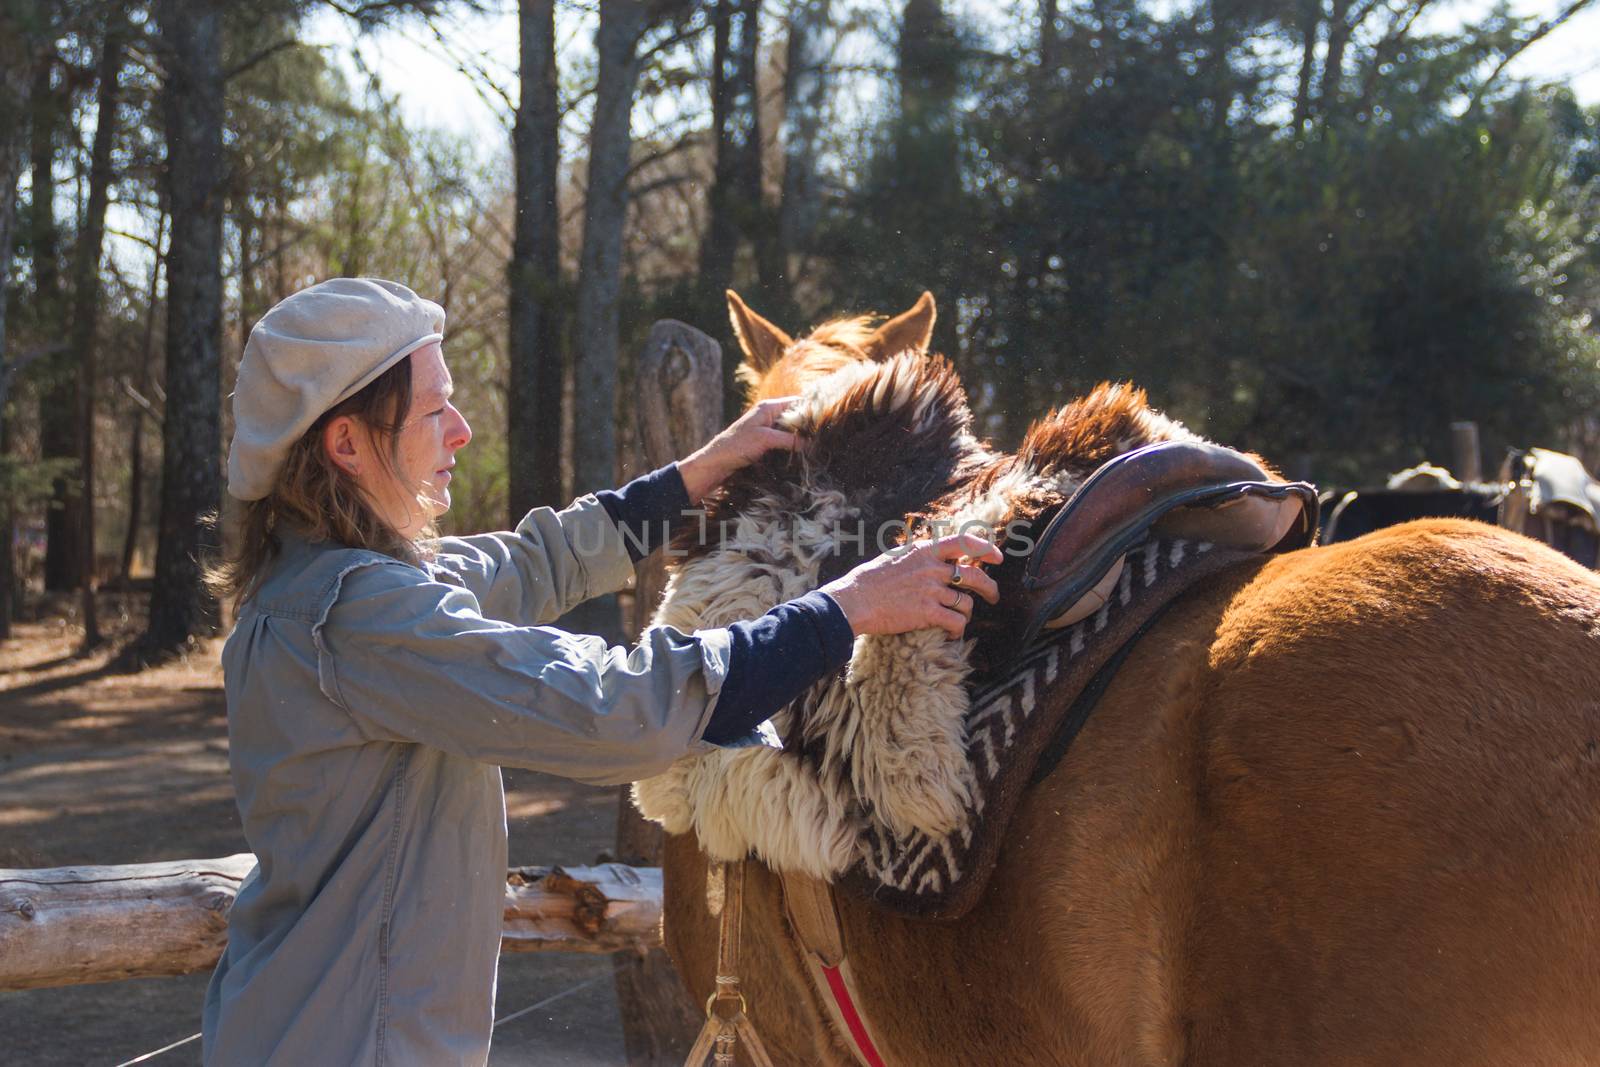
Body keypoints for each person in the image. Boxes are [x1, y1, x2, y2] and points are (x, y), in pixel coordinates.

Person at [199, 277, 1002, 1065]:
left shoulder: (316, 582)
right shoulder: (362, 614)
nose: (463, 430)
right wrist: (843, 609)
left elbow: (532, 560)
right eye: (434, 409)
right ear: (346, 444)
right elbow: (614, 707)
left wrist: (702, 471)